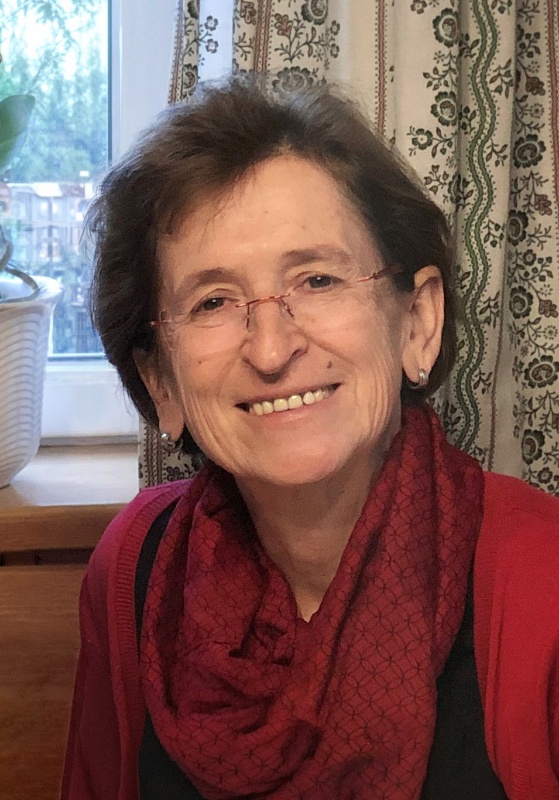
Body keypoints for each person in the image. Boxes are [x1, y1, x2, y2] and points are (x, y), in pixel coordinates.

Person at [61, 77, 559, 800]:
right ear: (160, 380)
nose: (271, 348)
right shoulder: (133, 568)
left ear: (416, 322)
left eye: (317, 280)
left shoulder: (543, 579)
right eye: (213, 301)